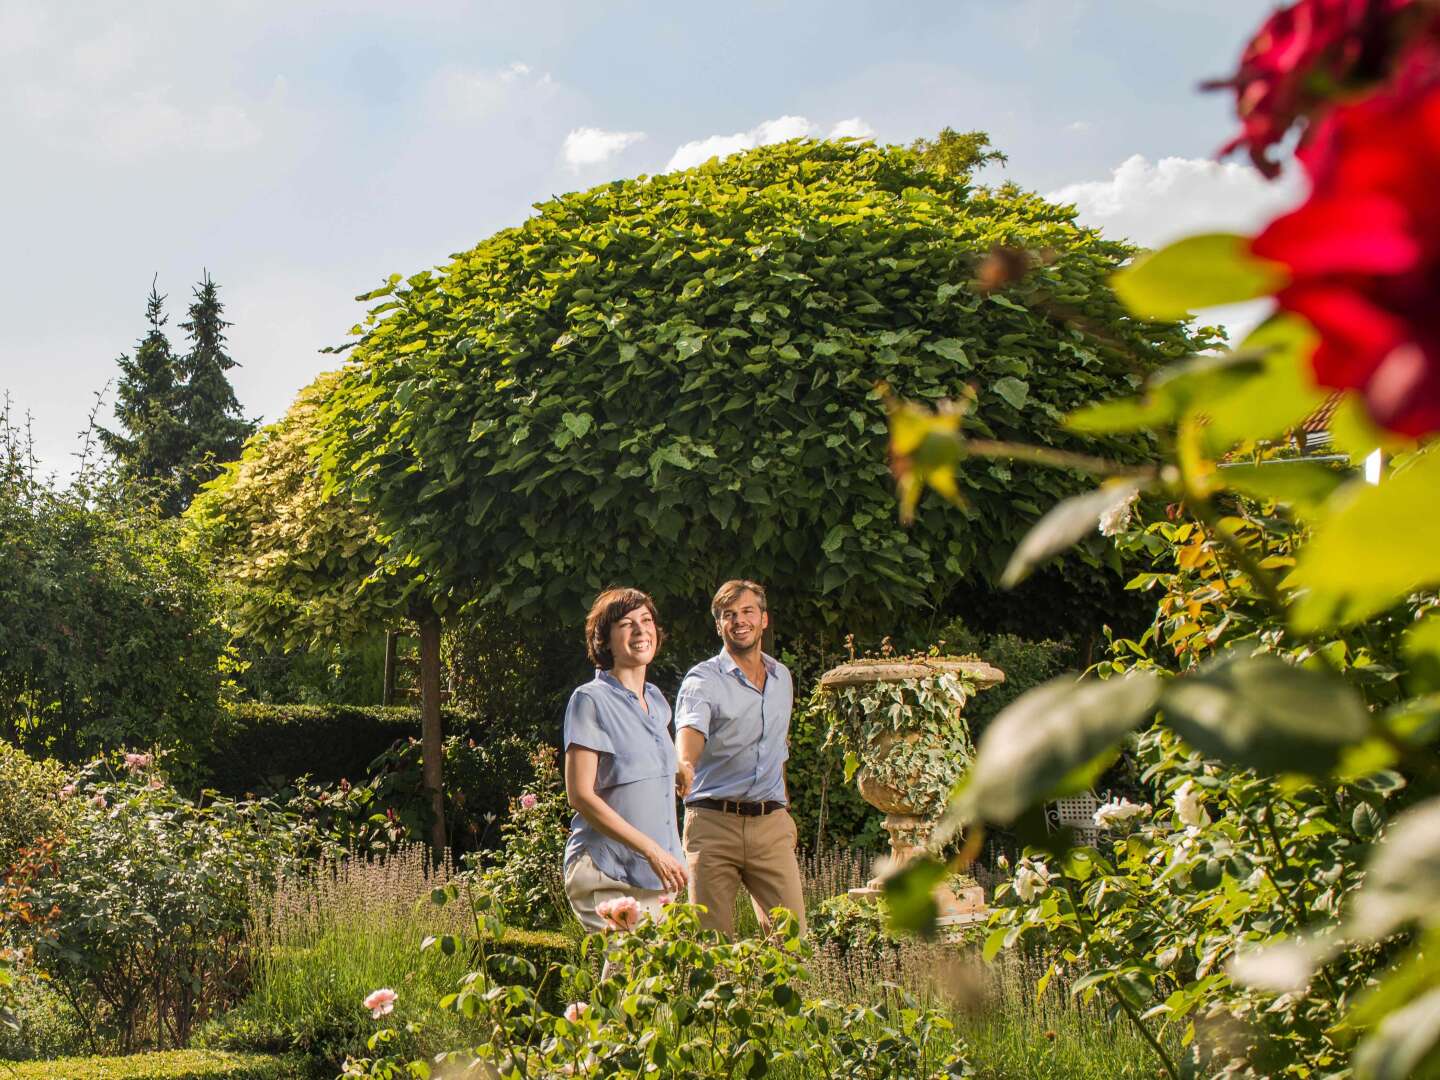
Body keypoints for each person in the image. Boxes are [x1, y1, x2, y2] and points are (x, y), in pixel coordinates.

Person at [674, 579, 806, 937]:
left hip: (770, 826)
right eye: (728, 615)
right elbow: (690, 733)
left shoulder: (782, 679)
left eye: (748, 611)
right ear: (719, 625)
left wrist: (784, 813)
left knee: (792, 943)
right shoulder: (703, 680)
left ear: (764, 619)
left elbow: (778, 748)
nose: (739, 621)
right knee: (711, 947)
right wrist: (684, 765)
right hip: (713, 824)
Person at [562, 587, 688, 932]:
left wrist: (677, 769)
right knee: (628, 973)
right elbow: (581, 795)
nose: (640, 630)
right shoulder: (590, 700)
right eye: (626, 624)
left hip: (658, 877)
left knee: (646, 983)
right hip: (606, 871)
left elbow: (648, 754)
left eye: (646, 621)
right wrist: (651, 849)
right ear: (605, 640)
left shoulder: (656, 700)